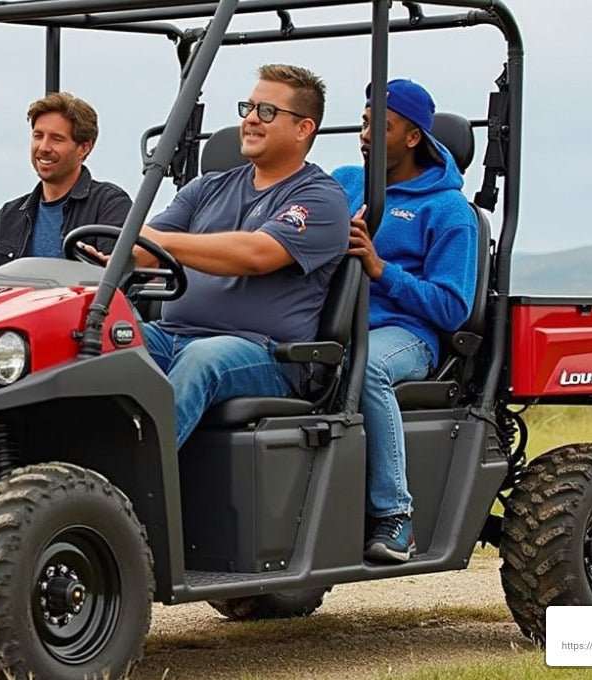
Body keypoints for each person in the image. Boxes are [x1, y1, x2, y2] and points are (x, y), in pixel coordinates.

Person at [92, 64, 349, 449]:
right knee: (99, 340)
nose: (250, 120)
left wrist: (163, 243)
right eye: (248, 108)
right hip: (173, 335)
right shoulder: (208, 187)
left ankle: (125, 486)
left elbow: (256, 254)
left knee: (202, 360)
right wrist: (117, 253)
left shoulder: (321, 198)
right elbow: (147, 250)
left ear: (303, 128)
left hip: (266, 353)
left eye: (266, 112)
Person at [331, 79, 477, 563]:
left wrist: (381, 270)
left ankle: (396, 516)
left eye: (382, 126)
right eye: (366, 121)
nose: (366, 134)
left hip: (407, 336)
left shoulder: (448, 209)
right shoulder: (346, 182)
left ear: (413, 137)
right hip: (334, 325)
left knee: (366, 367)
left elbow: (452, 308)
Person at [0, 92, 131, 270]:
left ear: (84, 148)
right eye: (38, 136)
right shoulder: (11, 215)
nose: (44, 147)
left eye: (56, 139)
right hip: (17, 307)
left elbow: (115, 277)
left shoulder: (109, 204)